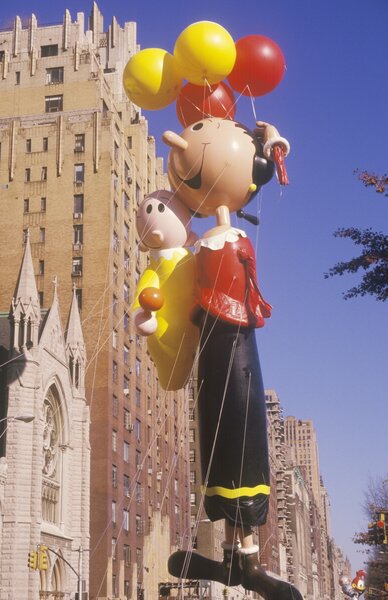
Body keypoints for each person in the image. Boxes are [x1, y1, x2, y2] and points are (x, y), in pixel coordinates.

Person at [162, 117, 302, 599]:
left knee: (244, 435)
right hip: (210, 347)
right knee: (215, 440)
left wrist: (271, 136)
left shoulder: (233, 235)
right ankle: (228, 558)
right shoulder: (194, 244)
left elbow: (270, 164)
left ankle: (247, 558)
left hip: (240, 341)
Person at [133, 190, 199, 391]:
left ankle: (174, 375)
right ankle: (171, 375)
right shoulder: (152, 270)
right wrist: (142, 316)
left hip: (192, 330)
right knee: (173, 372)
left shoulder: (190, 260)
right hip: (163, 336)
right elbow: (142, 295)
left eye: (162, 207)